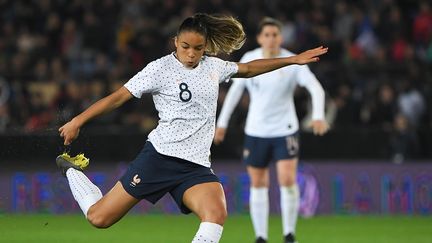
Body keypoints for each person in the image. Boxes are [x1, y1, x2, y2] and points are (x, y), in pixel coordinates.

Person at [57, 13, 328, 243]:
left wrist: (292, 60)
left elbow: (248, 69)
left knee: (216, 213)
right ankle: (71, 170)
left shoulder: (214, 66)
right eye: (185, 46)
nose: (191, 53)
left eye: (198, 48)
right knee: (99, 218)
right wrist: (77, 120)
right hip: (159, 158)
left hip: (195, 166)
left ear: (205, 47)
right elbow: (117, 97)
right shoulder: (159, 69)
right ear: (175, 42)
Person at [214, 17, 329, 243]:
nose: (271, 39)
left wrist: (318, 116)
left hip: (285, 129)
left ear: (281, 37)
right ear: (259, 38)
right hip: (256, 131)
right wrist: (222, 123)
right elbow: (235, 93)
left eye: (275, 34)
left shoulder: (291, 60)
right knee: (258, 184)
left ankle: (289, 234)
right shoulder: (249, 59)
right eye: (266, 35)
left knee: (287, 180)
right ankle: (261, 237)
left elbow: (315, 88)